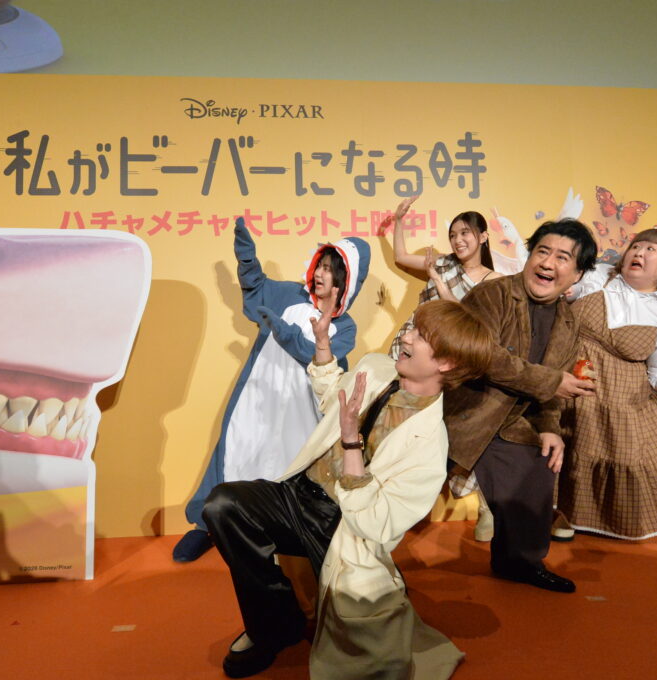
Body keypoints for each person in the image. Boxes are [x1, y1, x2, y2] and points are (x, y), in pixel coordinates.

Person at [203, 297, 493, 679]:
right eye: (413, 327)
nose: (407, 336)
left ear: (447, 363)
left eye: (421, 336)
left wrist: (351, 442)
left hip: (342, 525)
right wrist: (323, 345)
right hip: (298, 491)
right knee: (223, 506)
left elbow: (376, 523)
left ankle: (376, 600)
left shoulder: (429, 445)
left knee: (366, 650)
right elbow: (333, 399)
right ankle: (274, 626)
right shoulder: (375, 366)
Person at [174, 217, 370, 562]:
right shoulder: (290, 295)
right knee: (238, 448)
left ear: (346, 280)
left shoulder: (345, 327)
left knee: (290, 464)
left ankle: (280, 532)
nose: (320, 273)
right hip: (259, 391)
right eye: (320, 265)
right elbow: (256, 288)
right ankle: (206, 524)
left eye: (330, 269)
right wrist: (247, 259)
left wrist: (287, 333)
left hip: (301, 405)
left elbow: (320, 360)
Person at [444, 219, 598, 593]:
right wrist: (551, 382)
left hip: (515, 419)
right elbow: (484, 356)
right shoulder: (492, 295)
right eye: (542, 251)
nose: (548, 263)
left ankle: (520, 562)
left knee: (540, 465)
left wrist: (550, 428)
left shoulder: (568, 321)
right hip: (468, 411)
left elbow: (555, 385)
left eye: (562, 258)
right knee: (408, 492)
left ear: (576, 274)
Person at [555, 230, 657, 542]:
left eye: (651, 249)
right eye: (636, 246)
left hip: (625, 394)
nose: (639, 252)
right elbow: (566, 288)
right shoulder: (598, 277)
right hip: (574, 380)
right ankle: (566, 512)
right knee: (571, 443)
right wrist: (566, 289)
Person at [385, 195, 502, 541]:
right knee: (398, 422)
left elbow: (468, 321)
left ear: (483, 236)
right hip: (411, 346)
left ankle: (485, 506)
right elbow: (400, 256)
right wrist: (399, 220)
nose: (458, 240)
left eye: (465, 233)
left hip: (451, 361)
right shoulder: (444, 263)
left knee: (457, 431)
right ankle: (389, 501)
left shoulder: (495, 281)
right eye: (453, 235)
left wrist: (438, 282)